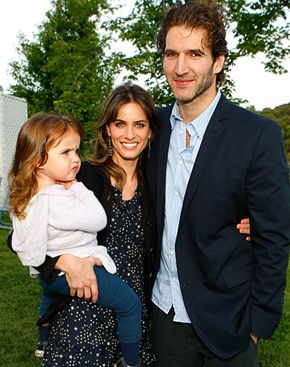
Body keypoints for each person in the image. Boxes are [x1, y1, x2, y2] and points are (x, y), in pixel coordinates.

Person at [143, 1, 290, 367]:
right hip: (163, 316)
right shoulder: (150, 129)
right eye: (171, 54)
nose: (180, 67)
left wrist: (257, 324)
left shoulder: (257, 135)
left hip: (230, 322)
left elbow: (274, 236)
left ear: (218, 61)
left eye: (195, 53)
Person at [8, 113, 145, 367]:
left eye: (140, 124)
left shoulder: (33, 192)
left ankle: (42, 339)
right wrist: (62, 261)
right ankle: (131, 362)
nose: (75, 160)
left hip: (58, 283)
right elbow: (96, 221)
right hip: (79, 294)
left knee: (48, 294)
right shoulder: (70, 186)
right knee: (129, 304)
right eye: (67, 152)